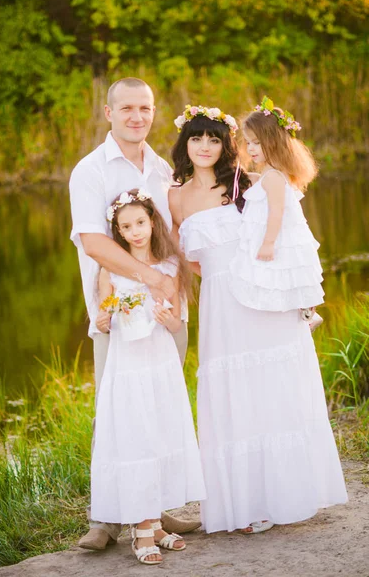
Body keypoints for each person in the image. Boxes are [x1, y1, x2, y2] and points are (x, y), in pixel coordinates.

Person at [169, 104, 347, 535]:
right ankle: (245, 503)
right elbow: (182, 255)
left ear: (226, 144)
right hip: (218, 305)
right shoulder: (173, 196)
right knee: (233, 393)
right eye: (197, 138)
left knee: (274, 387)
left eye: (214, 138)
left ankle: (284, 495)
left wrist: (292, 290)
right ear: (185, 144)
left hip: (260, 299)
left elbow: (285, 225)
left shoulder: (243, 182)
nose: (206, 146)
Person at [69, 78, 198, 551]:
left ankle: (156, 507)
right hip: (119, 318)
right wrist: (151, 280)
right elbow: (93, 241)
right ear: (108, 113)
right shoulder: (90, 171)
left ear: (154, 111)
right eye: (126, 108)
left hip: (166, 316)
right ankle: (106, 519)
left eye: (144, 108)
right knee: (116, 411)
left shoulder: (163, 170)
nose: (136, 116)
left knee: (160, 407)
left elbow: (177, 235)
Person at [90, 189, 206, 565]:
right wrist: (104, 320)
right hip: (128, 365)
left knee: (157, 432)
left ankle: (153, 523)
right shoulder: (110, 269)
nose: (135, 231)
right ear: (118, 231)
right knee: (135, 434)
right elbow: (102, 319)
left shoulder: (169, 267)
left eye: (140, 222)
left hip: (158, 361)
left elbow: (175, 322)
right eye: (126, 226)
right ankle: (142, 531)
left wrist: (167, 319)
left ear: (152, 222)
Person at [228, 96, 324, 326]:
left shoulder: (272, 176)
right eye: (248, 142)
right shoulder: (272, 173)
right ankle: (303, 312)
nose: (250, 148)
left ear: (273, 143)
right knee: (286, 272)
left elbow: (276, 212)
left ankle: (304, 313)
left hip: (277, 237)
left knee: (280, 272)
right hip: (283, 236)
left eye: (257, 143)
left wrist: (268, 242)